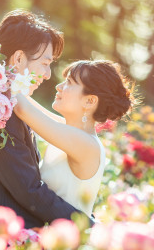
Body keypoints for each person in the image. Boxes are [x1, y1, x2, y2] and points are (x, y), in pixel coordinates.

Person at [0, 9, 79, 228]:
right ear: (18, 59)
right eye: (45, 63)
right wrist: (88, 225)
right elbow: (30, 192)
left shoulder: (10, 106)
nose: (48, 74)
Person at [13, 59, 135, 219]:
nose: (59, 87)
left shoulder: (86, 144)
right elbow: (27, 103)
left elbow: (22, 108)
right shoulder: (70, 130)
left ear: (89, 101)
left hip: (66, 241)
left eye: (69, 82)